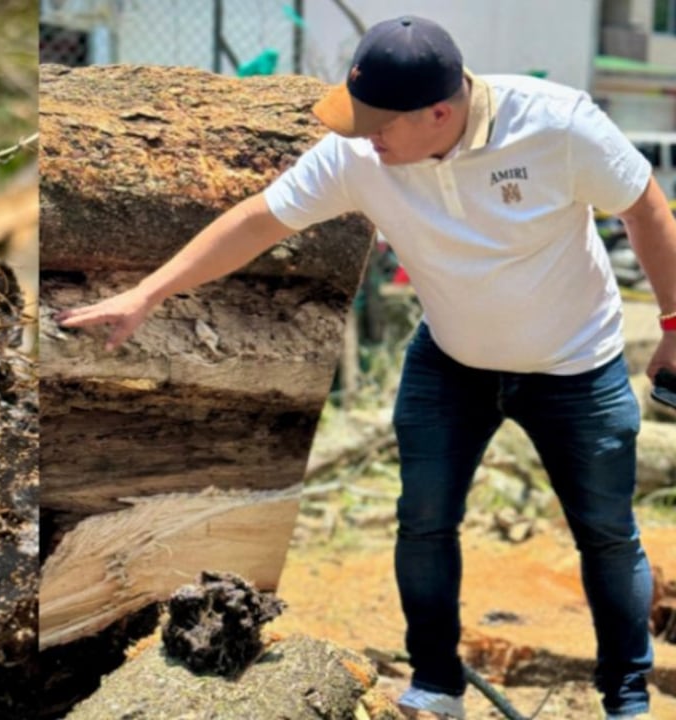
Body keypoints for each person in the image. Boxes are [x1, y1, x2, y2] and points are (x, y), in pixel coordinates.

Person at [55, 15, 676, 720]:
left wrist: (675, 325)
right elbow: (260, 219)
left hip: (577, 368)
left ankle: (626, 699)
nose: (362, 135)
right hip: (453, 361)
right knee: (424, 521)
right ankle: (437, 684)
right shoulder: (361, 154)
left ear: (439, 113)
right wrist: (149, 293)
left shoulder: (559, 125)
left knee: (606, 532)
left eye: (378, 122)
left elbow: (645, 206)